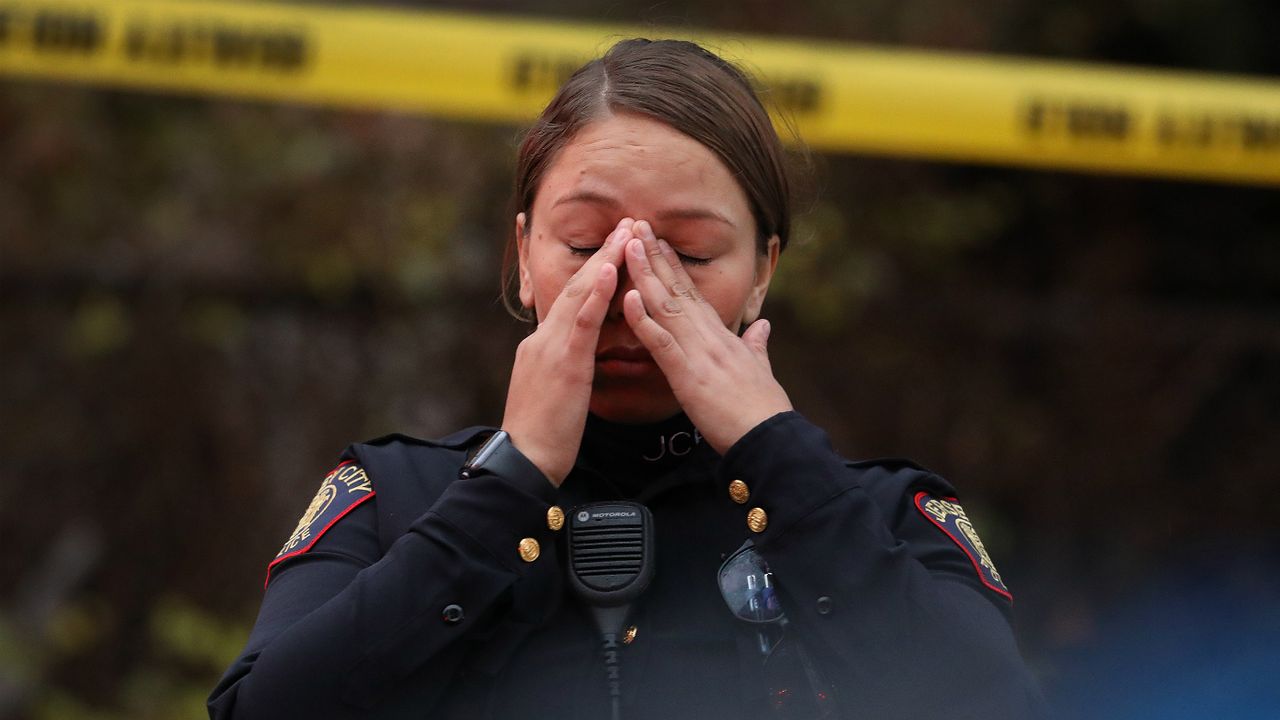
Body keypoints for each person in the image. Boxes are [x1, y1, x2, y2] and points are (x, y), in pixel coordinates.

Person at [208, 38, 1046, 720]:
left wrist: (779, 458)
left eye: (688, 253)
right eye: (583, 245)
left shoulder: (883, 517)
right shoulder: (389, 495)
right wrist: (507, 485)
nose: (632, 287)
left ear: (763, 271)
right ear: (524, 256)